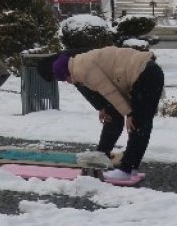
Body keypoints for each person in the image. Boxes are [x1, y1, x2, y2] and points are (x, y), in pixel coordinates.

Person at [47, 47, 164, 182]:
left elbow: (110, 91)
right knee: (141, 125)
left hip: (145, 75)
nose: (68, 82)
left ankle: (126, 170)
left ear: (66, 73)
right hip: (148, 72)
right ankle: (131, 168)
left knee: (137, 125)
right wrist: (106, 108)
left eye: (65, 79)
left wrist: (129, 113)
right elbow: (114, 86)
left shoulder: (81, 70)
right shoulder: (81, 62)